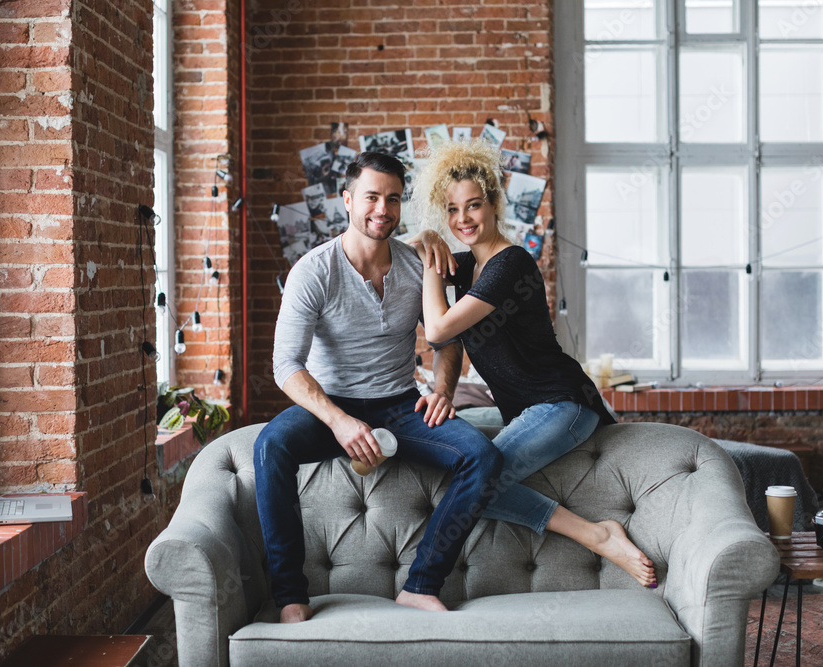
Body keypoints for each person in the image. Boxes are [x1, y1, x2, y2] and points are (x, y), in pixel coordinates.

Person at [255, 151, 503, 624]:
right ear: (347, 201)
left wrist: (443, 390)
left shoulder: (418, 265)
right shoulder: (313, 270)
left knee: (483, 456)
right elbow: (285, 365)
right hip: (329, 406)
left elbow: (447, 341)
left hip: (399, 404)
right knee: (270, 446)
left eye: (392, 199)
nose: (382, 209)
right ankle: (289, 594)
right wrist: (340, 421)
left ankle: (422, 584)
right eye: (371, 197)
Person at [408, 140, 656, 587]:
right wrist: (425, 239)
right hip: (530, 411)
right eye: (451, 209)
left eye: (474, 205)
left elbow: (440, 329)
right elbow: (394, 256)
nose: (462, 219)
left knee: (474, 483)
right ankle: (598, 534)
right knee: (468, 483)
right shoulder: (465, 267)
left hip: (564, 404)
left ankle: (598, 536)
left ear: (495, 204)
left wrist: (430, 261)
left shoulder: (511, 264)